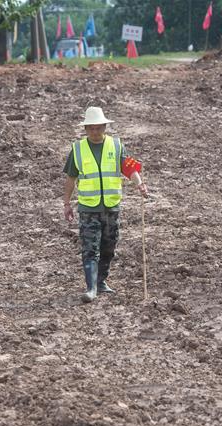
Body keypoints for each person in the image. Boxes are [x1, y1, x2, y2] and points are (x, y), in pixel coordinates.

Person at [63, 107, 146, 303]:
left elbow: (129, 168)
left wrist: (140, 184)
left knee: (109, 246)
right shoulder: (77, 149)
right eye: (90, 128)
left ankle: (101, 281)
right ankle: (91, 288)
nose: (94, 132)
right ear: (85, 129)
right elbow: (70, 178)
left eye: (98, 128)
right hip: (88, 208)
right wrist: (66, 203)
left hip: (111, 206)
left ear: (105, 127)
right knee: (90, 248)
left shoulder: (116, 146)